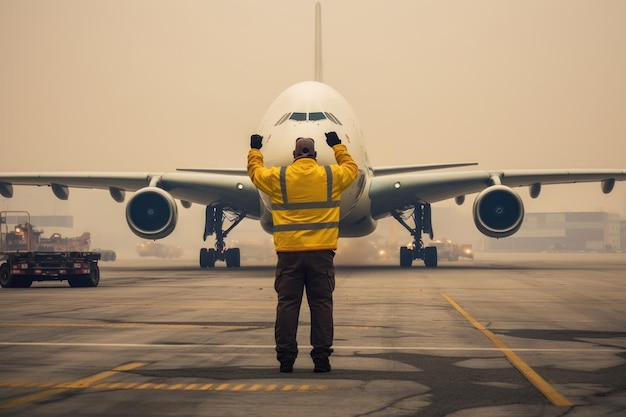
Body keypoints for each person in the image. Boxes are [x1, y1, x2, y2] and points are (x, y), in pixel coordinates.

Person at [247, 131, 358, 373]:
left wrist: (255, 150)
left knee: (287, 305)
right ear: (316, 155)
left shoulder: (280, 178)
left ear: (294, 155)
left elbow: (256, 174)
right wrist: (337, 145)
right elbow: (352, 168)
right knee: (321, 305)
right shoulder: (330, 176)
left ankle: (286, 359)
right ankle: (321, 358)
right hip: (322, 254)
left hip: (289, 254)